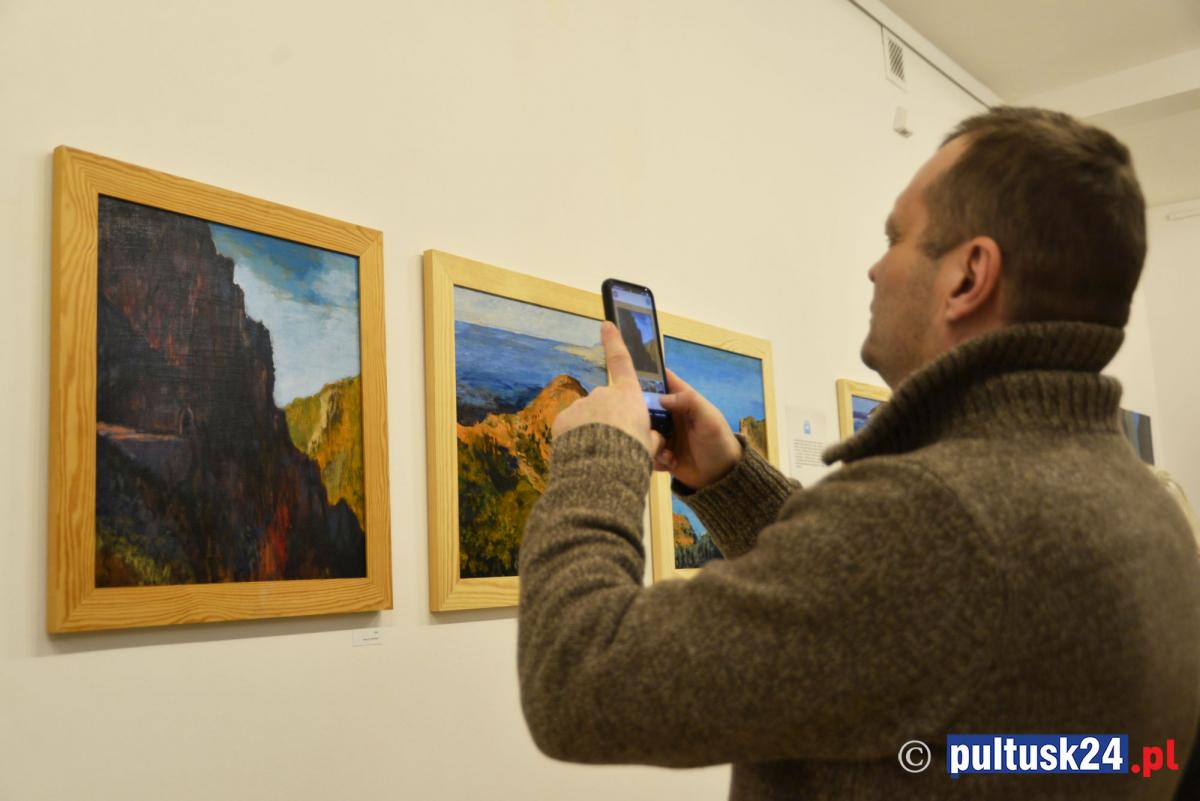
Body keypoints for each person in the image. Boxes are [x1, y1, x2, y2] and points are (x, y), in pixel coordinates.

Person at [516, 107, 1200, 800]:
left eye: (897, 237)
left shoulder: (936, 521)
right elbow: (881, 617)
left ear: (969, 276)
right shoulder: (1144, 505)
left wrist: (599, 455)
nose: (875, 268)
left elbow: (578, 677)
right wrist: (731, 480)